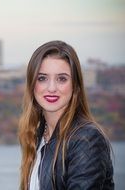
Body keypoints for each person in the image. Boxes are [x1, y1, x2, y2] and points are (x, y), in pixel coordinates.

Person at [18, 40, 114, 190]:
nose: (51, 88)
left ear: (75, 85)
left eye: (61, 79)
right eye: (42, 78)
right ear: (31, 84)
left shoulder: (86, 140)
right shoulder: (38, 136)